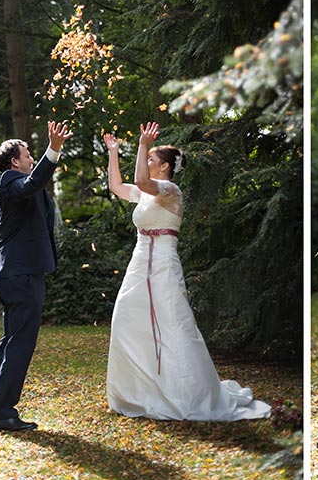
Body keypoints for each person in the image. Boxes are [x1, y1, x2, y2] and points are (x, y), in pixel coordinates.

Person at [103, 122, 271, 421]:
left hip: (164, 263)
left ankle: (185, 391)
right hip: (140, 261)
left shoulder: (170, 190)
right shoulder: (145, 193)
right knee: (126, 317)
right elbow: (117, 187)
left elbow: (141, 180)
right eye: (148, 158)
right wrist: (113, 153)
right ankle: (138, 389)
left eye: (152, 160)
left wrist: (143, 144)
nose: (147, 163)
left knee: (172, 323)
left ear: (165, 167)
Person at [0, 120, 73, 431]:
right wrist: (53, 149)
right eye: (27, 154)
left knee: (10, 343)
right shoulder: (8, 182)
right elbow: (31, 184)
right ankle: (3, 413)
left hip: (18, 275)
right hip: (22, 276)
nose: (31, 157)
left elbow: (35, 187)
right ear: (13, 161)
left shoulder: (15, 184)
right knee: (19, 345)